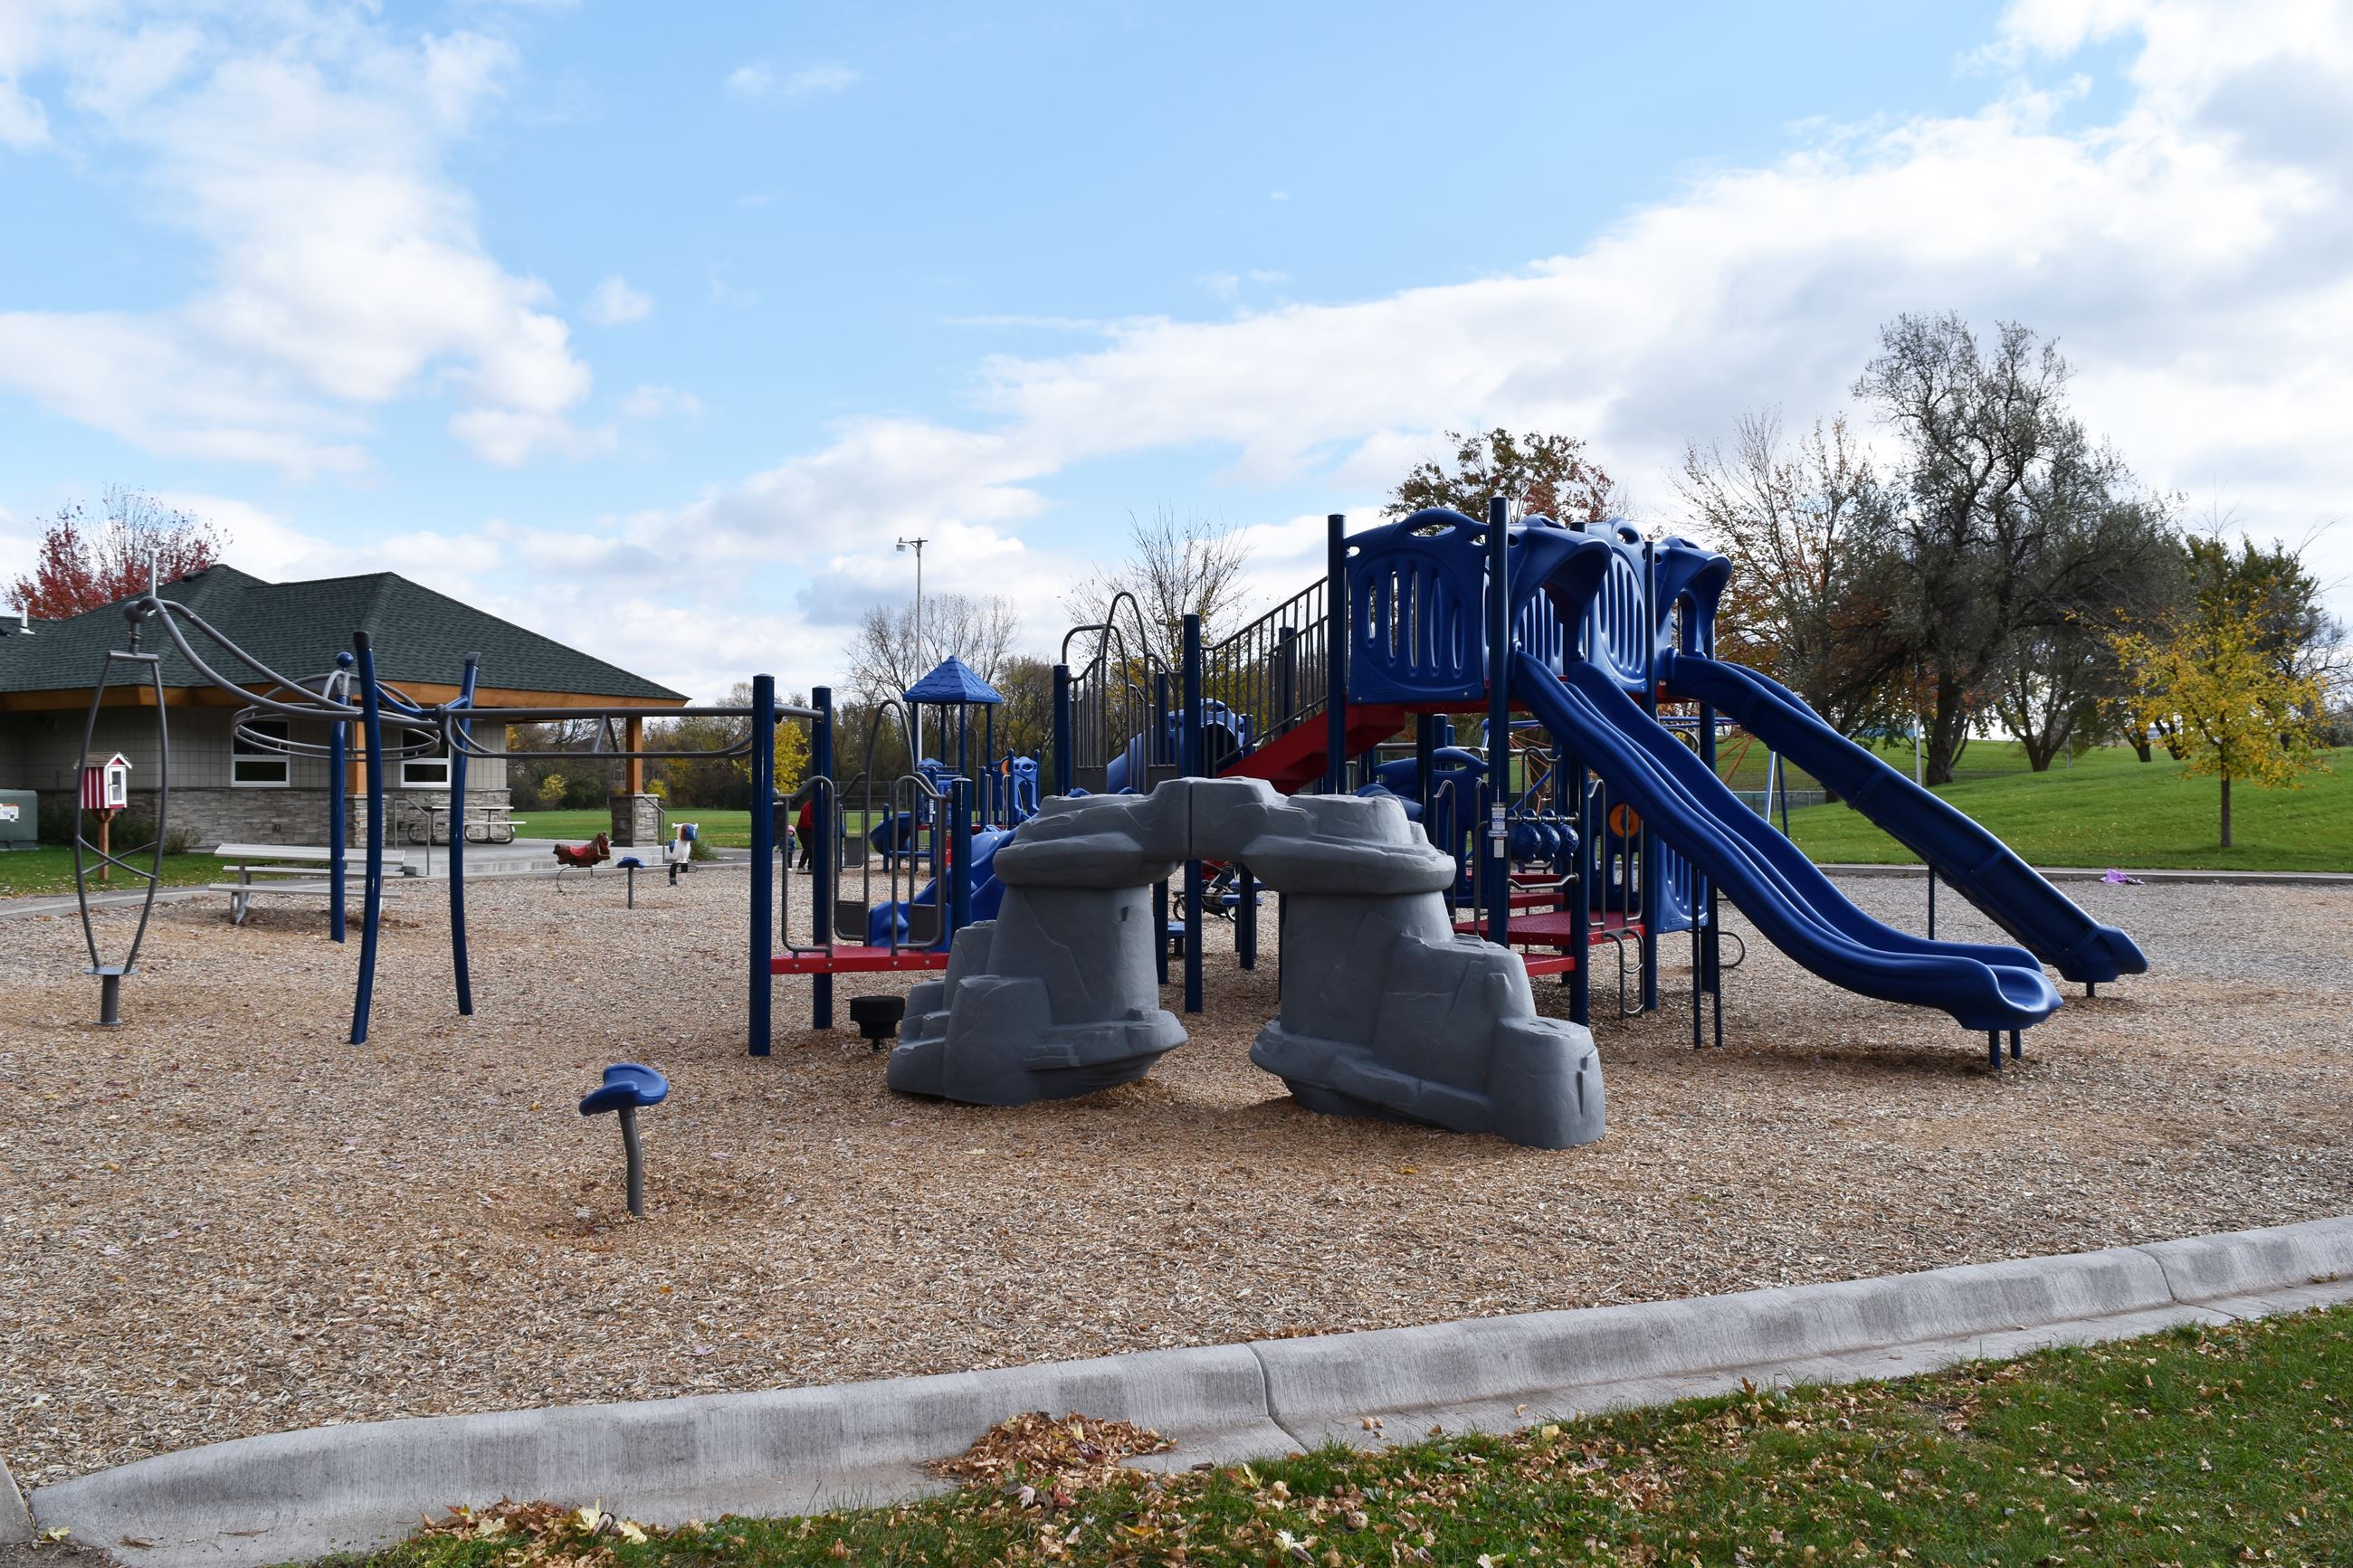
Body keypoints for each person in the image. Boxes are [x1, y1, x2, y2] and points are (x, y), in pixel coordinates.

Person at [795, 794, 815, 870]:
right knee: (808, 848)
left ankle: (811, 867)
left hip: (810, 829)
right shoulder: (807, 807)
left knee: (812, 848)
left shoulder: (814, 806)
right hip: (803, 829)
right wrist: (818, 826)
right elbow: (806, 823)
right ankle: (801, 867)